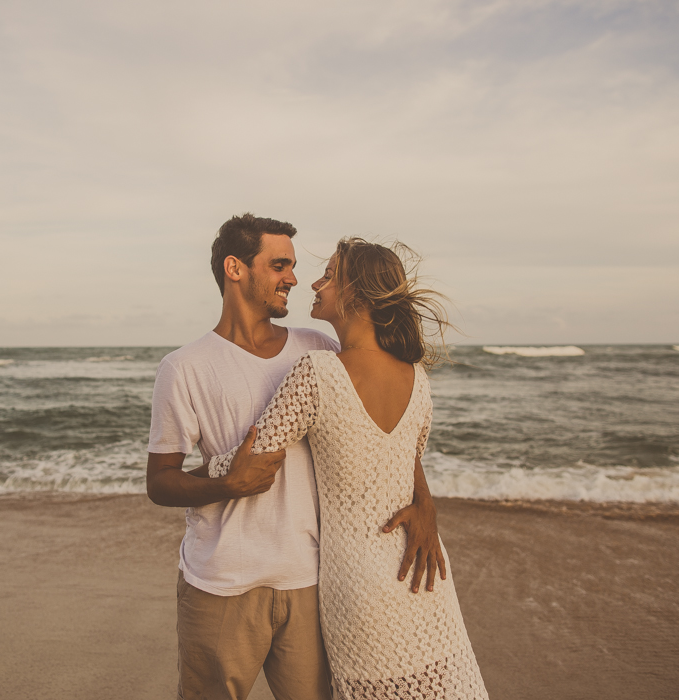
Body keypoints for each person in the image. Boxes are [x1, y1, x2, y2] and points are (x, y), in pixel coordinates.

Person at [147, 215, 446, 700]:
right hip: (221, 582)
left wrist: (425, 501)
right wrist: (225, 484)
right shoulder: (184, 368)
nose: (293, 277)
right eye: (279, 265)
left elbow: (383, 437)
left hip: (311, 581)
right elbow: (160, 481)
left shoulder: (320, 350)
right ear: (235, 269)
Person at [207, 237, 489, 699]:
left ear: (356, 293)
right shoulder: (417, 377)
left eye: (330, 275)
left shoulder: (318, 373)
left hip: (360, 587)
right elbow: (406, 461)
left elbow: (255, 457)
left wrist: (191, 472)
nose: (315, 283)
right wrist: (427, 506)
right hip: (422, 572)